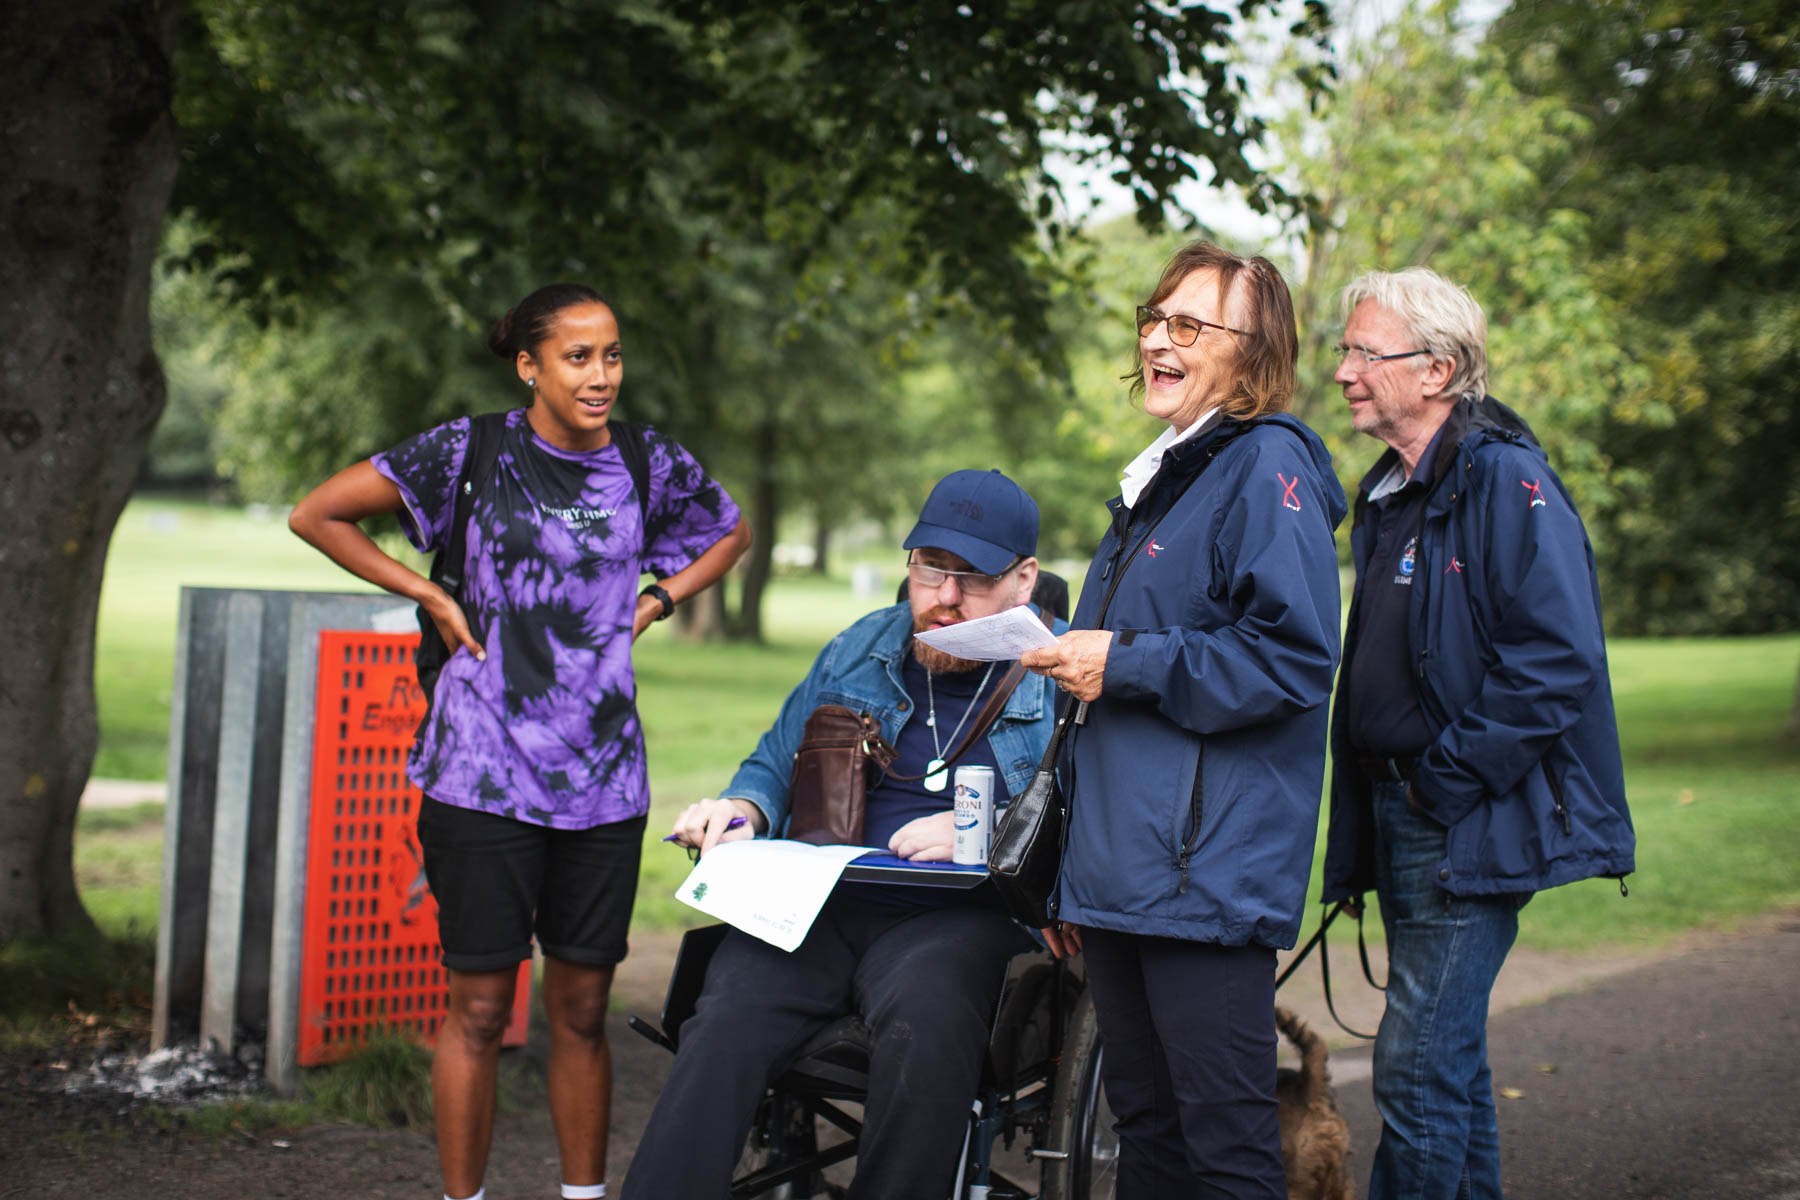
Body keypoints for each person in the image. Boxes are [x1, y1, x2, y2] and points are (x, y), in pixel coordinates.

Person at [288, 283, 752, 1200]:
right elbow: (319, 513)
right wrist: (424, 592)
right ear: (529, 366)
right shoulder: (471, 451)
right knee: (479, 1009)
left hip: (604, 783)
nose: (601, 375)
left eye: (612, 354)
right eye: (578, 357)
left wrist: (656, 598)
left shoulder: (646, 460)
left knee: (581, 1013)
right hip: (479, 776)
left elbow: (729, 531)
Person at [624, 469, 1062, 1200]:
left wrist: (988, 836)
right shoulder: (864, 643)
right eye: (931, 570)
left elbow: (1085, 814)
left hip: (958, 921)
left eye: (973, 579)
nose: (945, 600)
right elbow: (774, 758)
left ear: (1023, 580)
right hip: (820, 901)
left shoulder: (1058, 674)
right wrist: (742, 811)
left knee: (927, 1023)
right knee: (724, 1015)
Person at [1021, 240, 1346, 1197]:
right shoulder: (1165, 478)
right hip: (1122, 873)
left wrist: (1120, 659)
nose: (1160, 340)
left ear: (1253, 354)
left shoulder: (1266, 465)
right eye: (1154, 319)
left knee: (1225, 1149)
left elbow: (1290, 658)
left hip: (1203, 876)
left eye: (1190, 325)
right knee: (1150, 1138)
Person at [1319, 267, 1634, 1199]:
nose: (1343, 371)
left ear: (1441, 369)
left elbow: (1555, 658)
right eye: (1346, 350)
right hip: (1406, 807)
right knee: (1446, 1067)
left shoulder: (1504, 477)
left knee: (1414, 1069)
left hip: (1459, 815)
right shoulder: (1394, 492)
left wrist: (1441, 781)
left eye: (1366, 352)